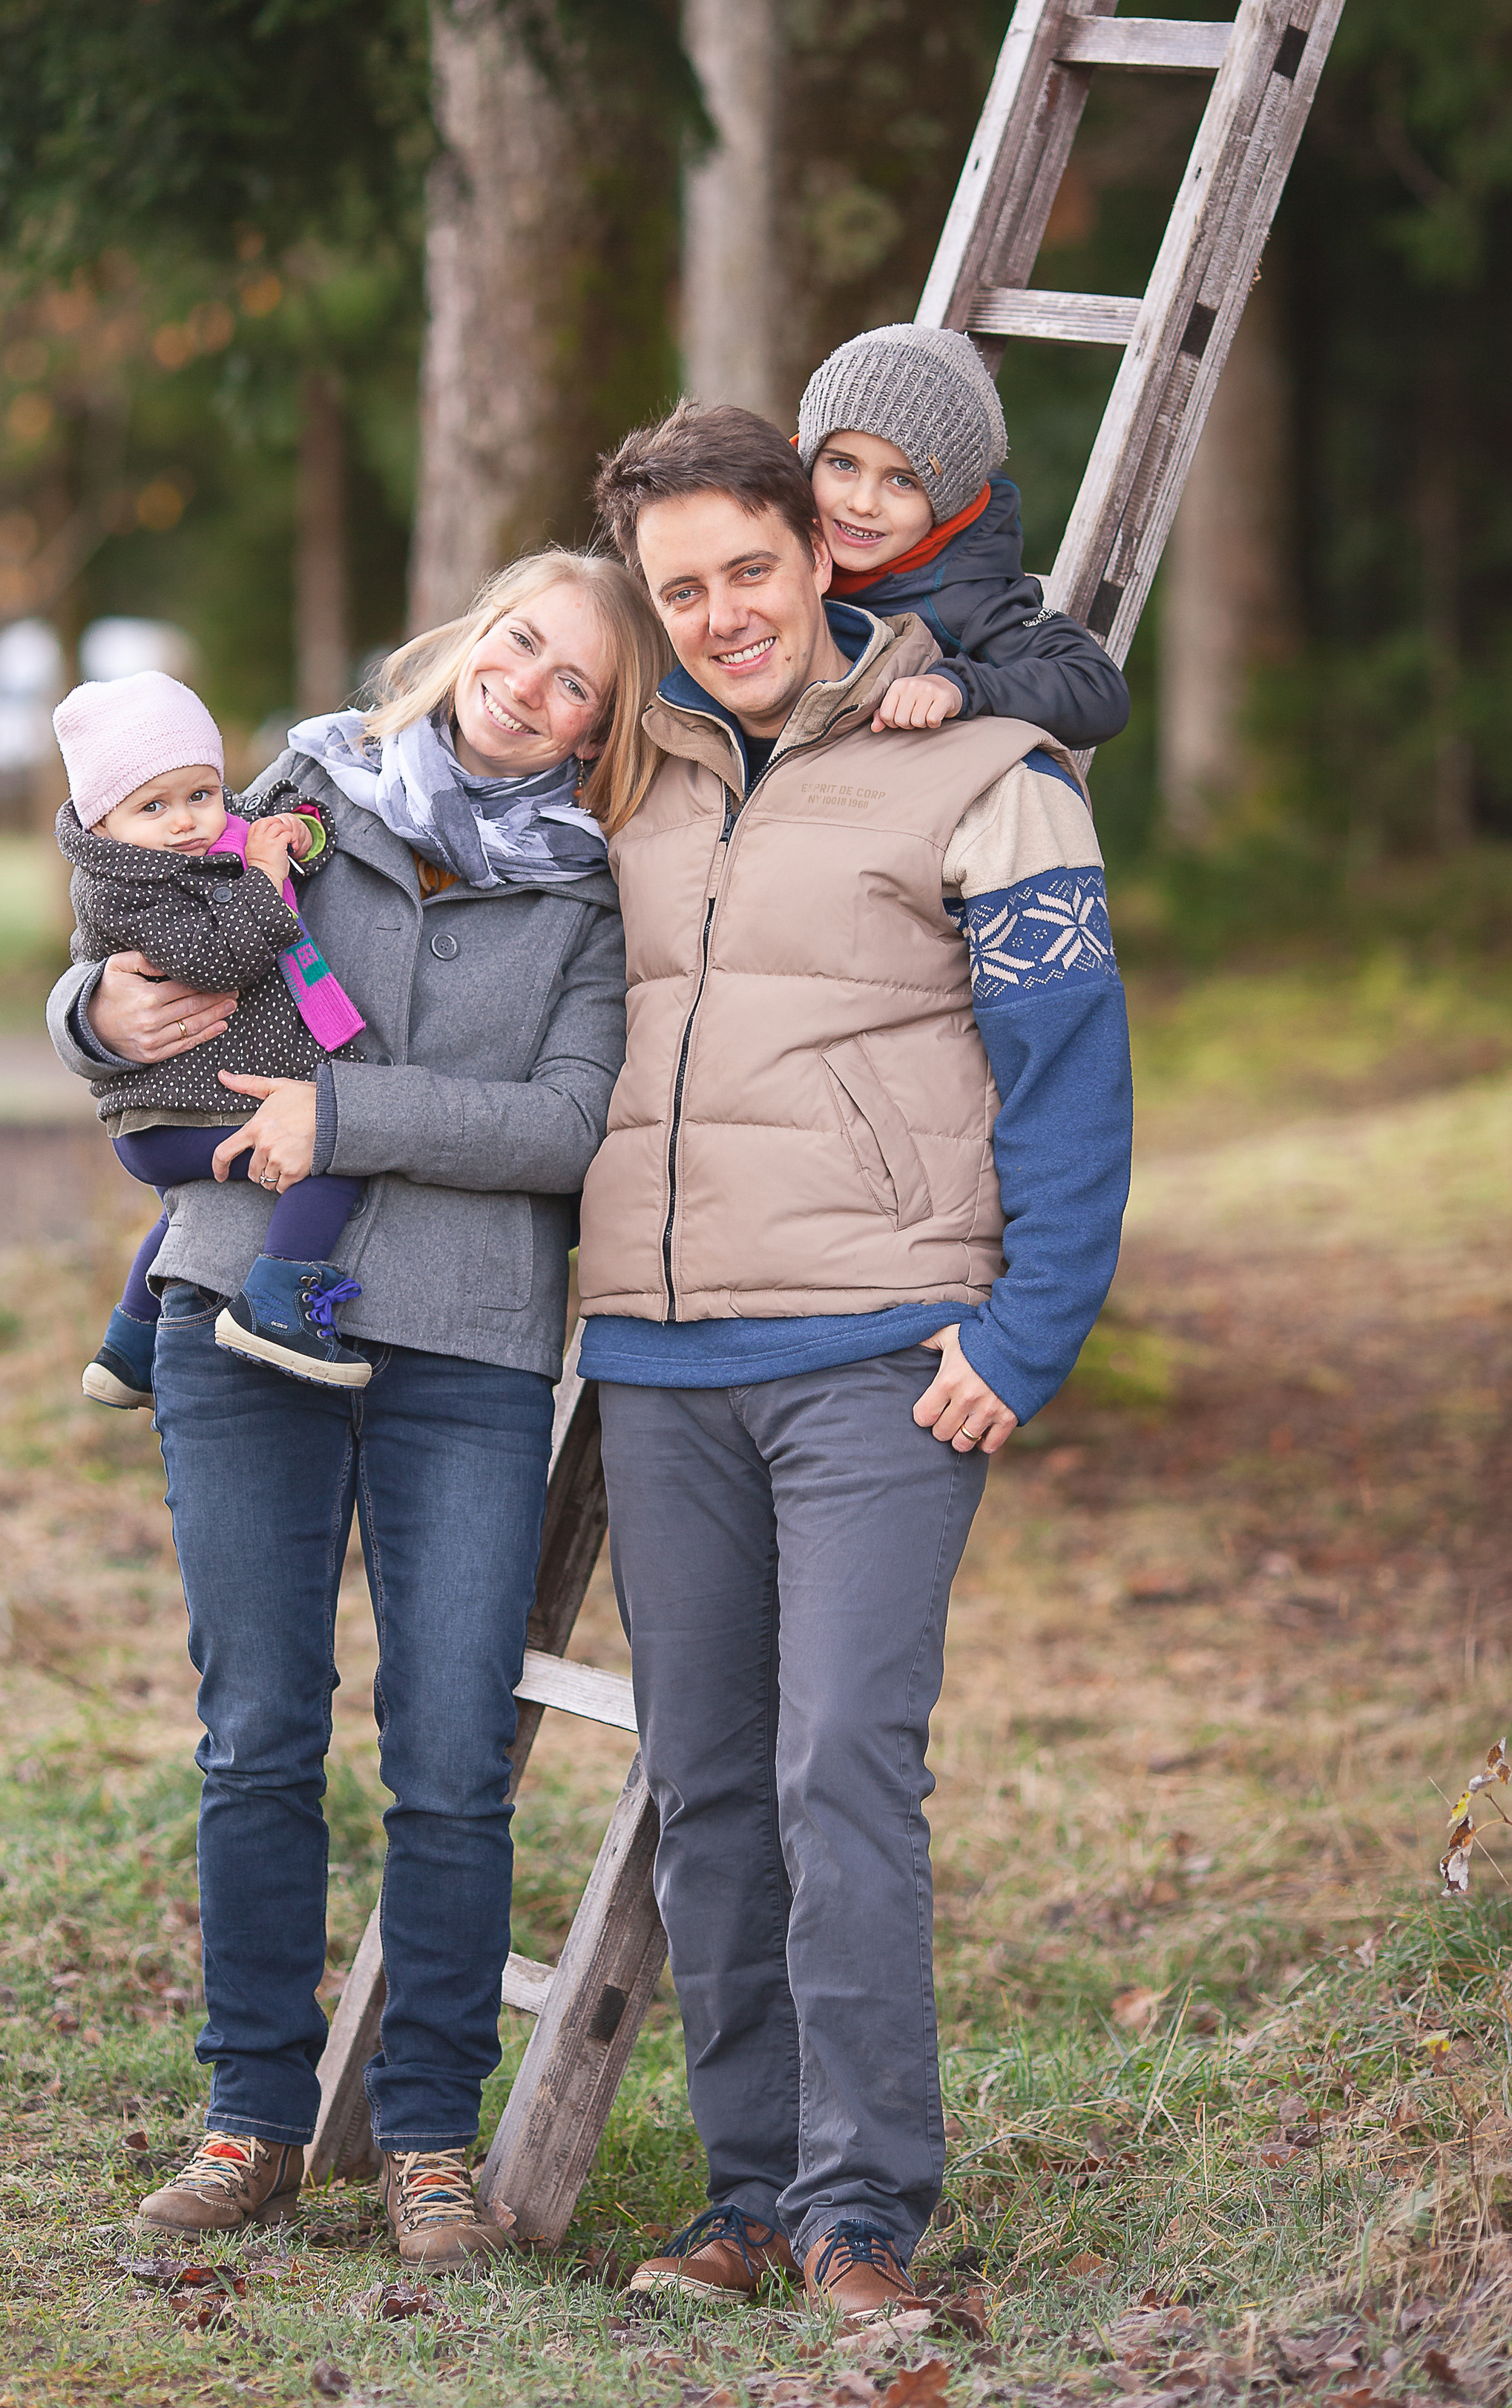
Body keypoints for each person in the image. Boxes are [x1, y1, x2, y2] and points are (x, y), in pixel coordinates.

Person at [45, 550, 665, 2274]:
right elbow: (130, 899)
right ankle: (248, 2114)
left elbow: (561, 1124)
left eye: (575, 689)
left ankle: (420, 2142)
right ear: (473, 636)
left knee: (453, 1758)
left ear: (599, 737)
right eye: (521, 644)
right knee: (255, 1725)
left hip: (464, 1351)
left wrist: (347, 1115)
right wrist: (89, 1008)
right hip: (237, 1308)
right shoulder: (307, 785)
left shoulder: (590, 897)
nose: (529, 688)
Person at [578, 401, 1132, 2324]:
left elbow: (1073, 1070)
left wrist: (1027, 1329)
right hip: (657, 1361)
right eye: (682, 591)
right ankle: (746, 2198)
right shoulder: (630, 774)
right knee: (710, 1783)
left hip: (885, 1360)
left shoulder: (995, 763)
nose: (721, 613)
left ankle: (862, 2219)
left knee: (839, 1770)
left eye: (748, 567)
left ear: (822, 554)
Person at [52, 668, 377, 1411]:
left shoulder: (212, 837)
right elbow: (217, 959)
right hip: (161, 1116)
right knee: (327, 1150)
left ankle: (129, 1348)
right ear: (103, 822)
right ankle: (277, 1304)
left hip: (188, 1101)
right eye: (153, 806)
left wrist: (297, 833)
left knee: (183, 1212)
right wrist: (264, 877)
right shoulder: (120, 886)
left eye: (199, 794)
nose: (186, 821)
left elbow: (278, 826)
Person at [799, 322, 1131, 747]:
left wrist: (959, 687)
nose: (863, 503)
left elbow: (1097, 687)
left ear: (945, 503)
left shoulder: (969, 598)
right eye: (843, 464)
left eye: (903, 481)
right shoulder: (772, 541)